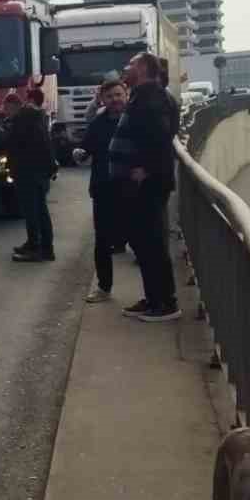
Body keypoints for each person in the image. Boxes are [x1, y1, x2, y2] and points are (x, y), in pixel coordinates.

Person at [108, 53, 180, 321]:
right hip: (141, 182)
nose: (126, 68)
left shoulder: (153, 98)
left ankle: (164, 303)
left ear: (145, 70)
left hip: (147, 184)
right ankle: (153, 297)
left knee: (152, 243)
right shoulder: (143, 95)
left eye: (132, 65)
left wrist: (146, 168)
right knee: (143, 241)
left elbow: (161, 138)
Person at [74, 79, 128, 301]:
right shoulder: (98, 123)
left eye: (118, 95)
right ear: (102, 99)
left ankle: (153, 296)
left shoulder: (135, 120)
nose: (115, 99)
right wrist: (79, 153)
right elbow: (86, 148)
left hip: (131, 190)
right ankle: (104, 288)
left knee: (142, 242)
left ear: (126, 95)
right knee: (102, 241)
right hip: (103, 189)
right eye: (110, 96)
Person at [2, 88, 57, 262]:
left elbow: (15, 144)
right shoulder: (34, 118)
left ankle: (37, 248)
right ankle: (43, 246)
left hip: (28, 172)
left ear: (13, 106)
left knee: (33, 211)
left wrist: (3, 131)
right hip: (38, 171)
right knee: (40, 210)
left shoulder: (23, 120)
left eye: (6, 109)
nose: (5, 113)